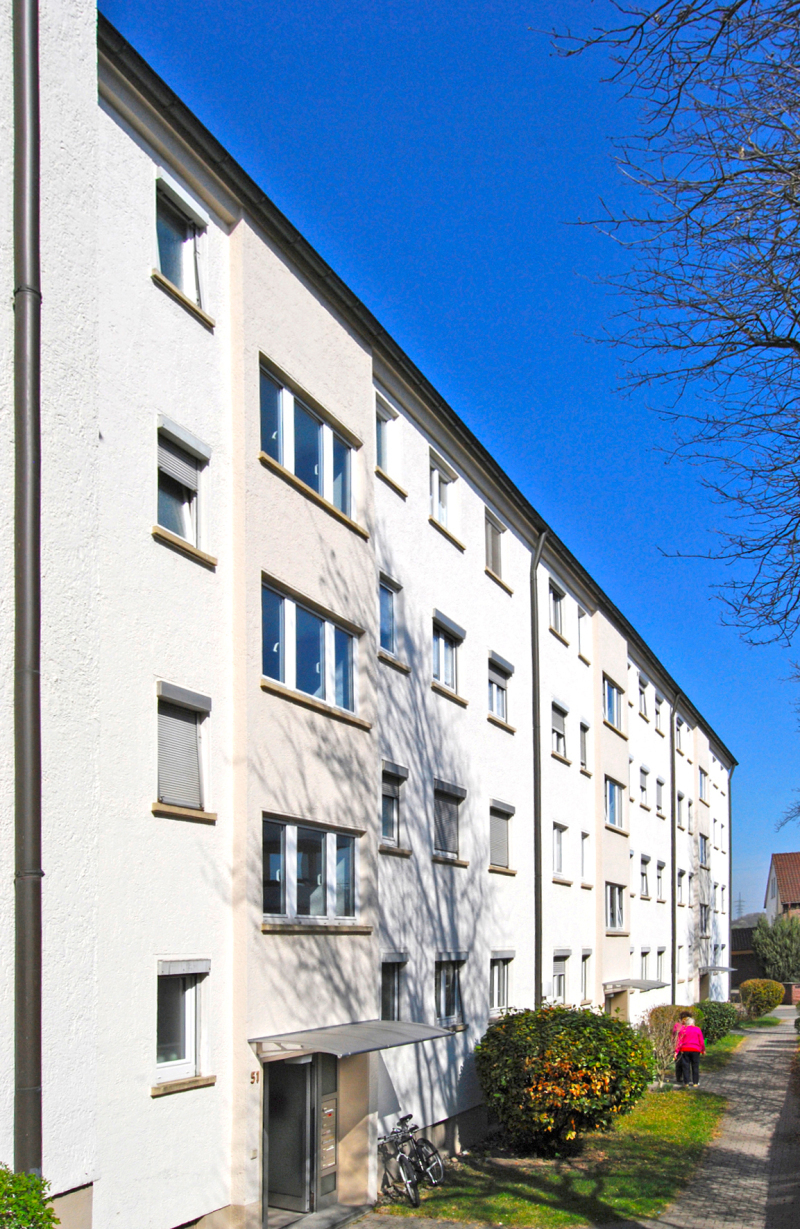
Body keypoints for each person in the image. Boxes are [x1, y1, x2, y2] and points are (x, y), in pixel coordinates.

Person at [675, 1014, 705, 1087]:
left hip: (685, 1049)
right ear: (692, 1023)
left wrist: (676, 1051)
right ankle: (695, 1082)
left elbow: (679, 1041)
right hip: (695, 1049)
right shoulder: (697, 1029)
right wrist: (703, 1049)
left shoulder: (683, 1030)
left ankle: (686, 1082)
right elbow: (701, 1040)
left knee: (686, 1066)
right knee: (695, 1066)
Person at [672, 1011, 692, 1084]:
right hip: (679, 1046)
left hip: (687, 1046)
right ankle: (679, 1077)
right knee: (679, 1063)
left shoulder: (688, 1026)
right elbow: (676, 1035)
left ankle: (687, 1077)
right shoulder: (678, 1025)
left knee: (687, 1062)